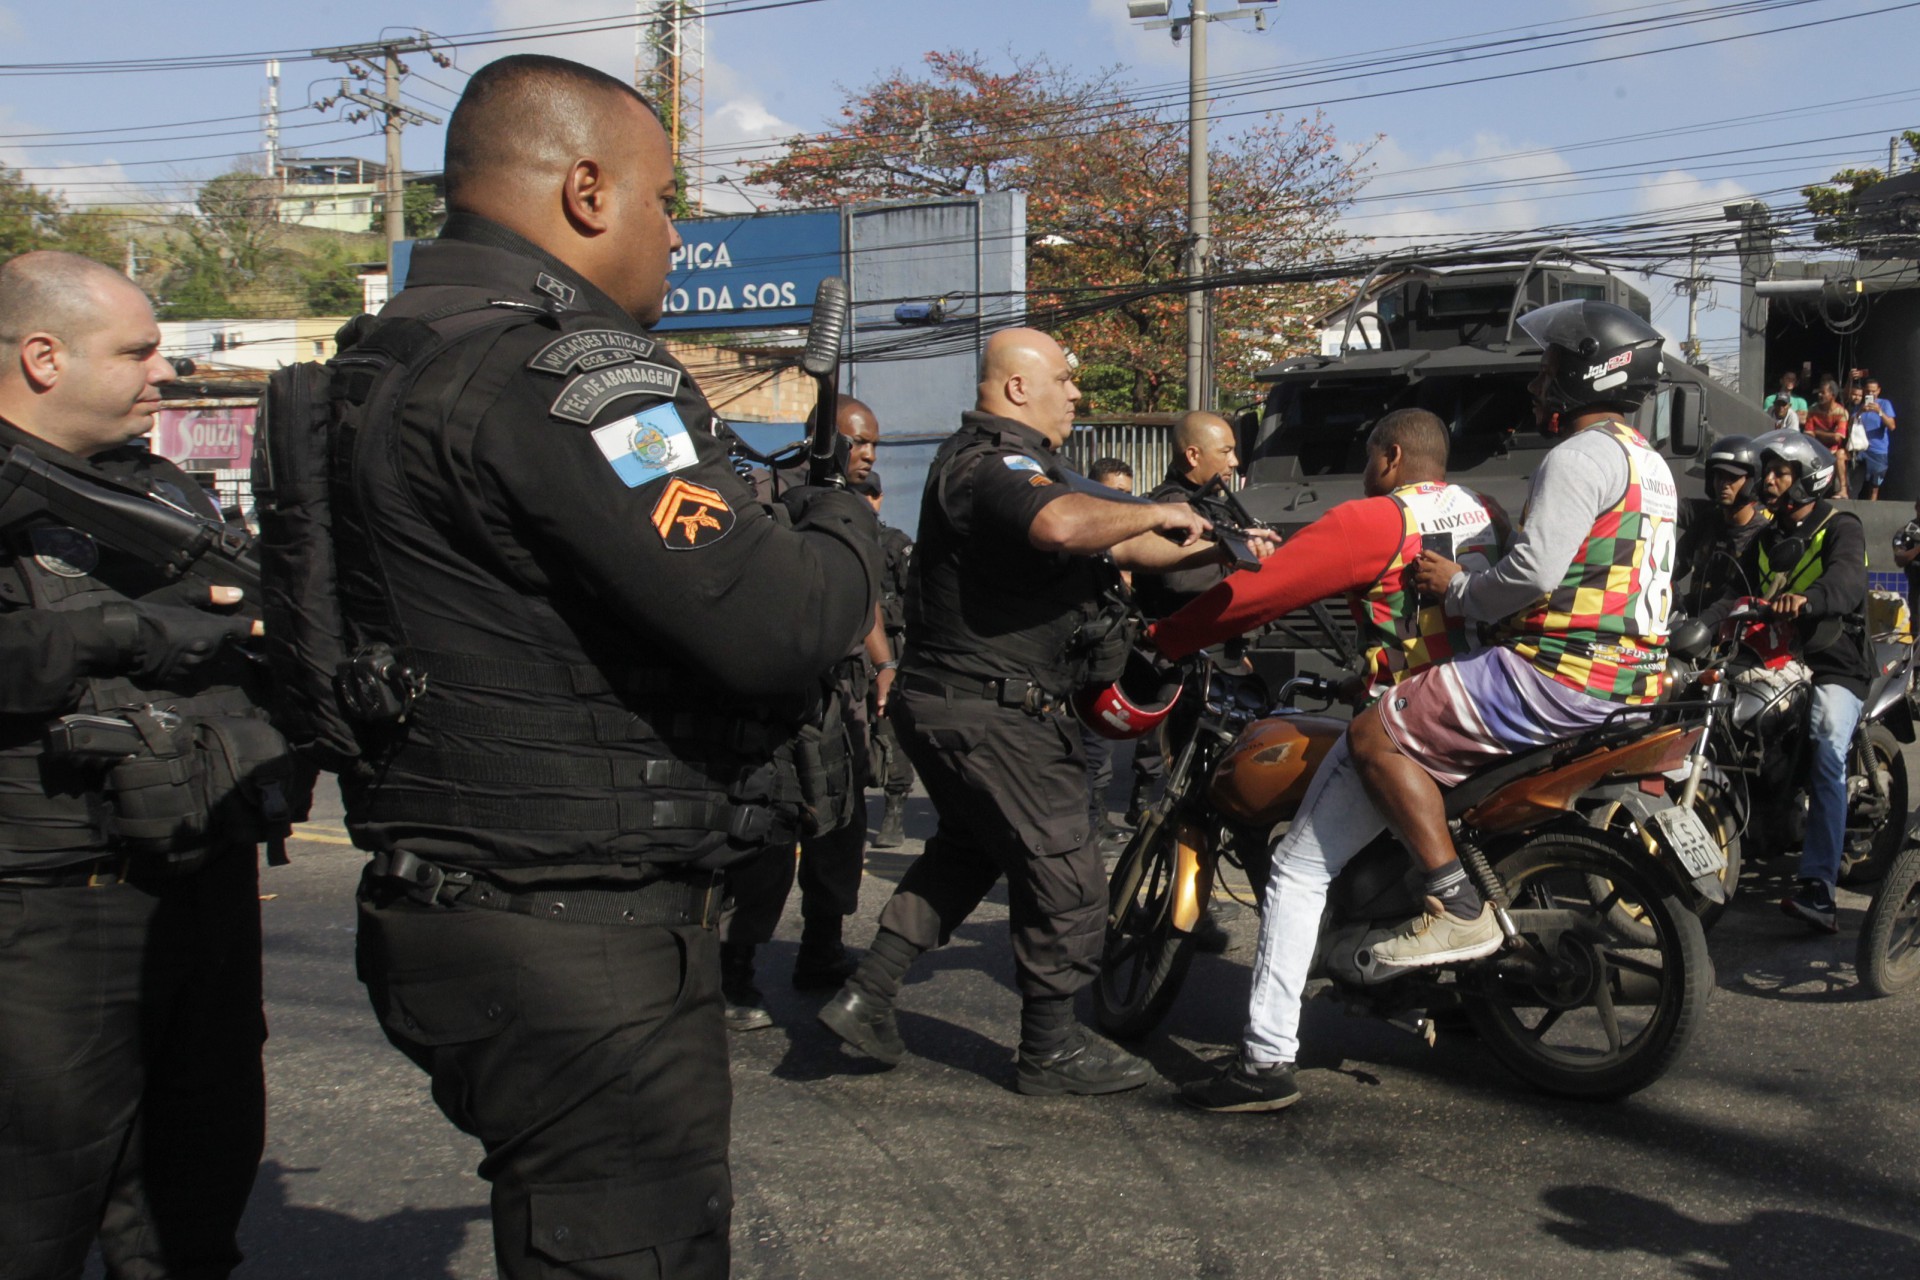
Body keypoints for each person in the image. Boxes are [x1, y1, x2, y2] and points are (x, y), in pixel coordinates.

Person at [338, 57, 877, 1279]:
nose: (676, 233)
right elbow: (780, 619)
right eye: (664, 199)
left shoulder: (384, 356)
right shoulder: (570, 381)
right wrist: (841, 511)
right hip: (574, 928)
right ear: (587, 190)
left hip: (458, 892)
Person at [1181, 298, 1680, 1111]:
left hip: (1561, 670)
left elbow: (1533, 577)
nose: (1538, 382)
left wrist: (1463, 589)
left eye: (1551, 365)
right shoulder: (1646, 464)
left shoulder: (1578, 458)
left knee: (1365, 755)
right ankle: (1459, 986)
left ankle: (1288, 1041)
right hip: (1632, 680)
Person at [818, 328, 1275, 1097]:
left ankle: (867, 995)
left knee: (968, 851)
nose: (1076, 393)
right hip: (992, 710)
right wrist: (1147, 514)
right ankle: (1050, 1048)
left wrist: (1223, 548)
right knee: (1067, 866)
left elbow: (1125, 550)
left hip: (964, 705)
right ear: (1019, 387)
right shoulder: (990, 465)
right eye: (1064, 379)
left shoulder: (1035, 468)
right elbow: (1063, 525)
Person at [0, 252, 300, 1278]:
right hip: (45, 906)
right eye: (136, 350)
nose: (162, 371)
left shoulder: (163, 492)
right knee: (35, 1208)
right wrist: (129, 633)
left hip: (195, 878)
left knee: (194, 1192)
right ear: (43, 356)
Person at [1155, 408, 1505, 1112]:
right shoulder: (1487, 509)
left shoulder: (1375, 521)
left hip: (1414, 718)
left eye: (1370, 454)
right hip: (1490, 706)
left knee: (1297, 868)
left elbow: (1258, 592)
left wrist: (1163, 640)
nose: (1366, 468)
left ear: (1392, 456)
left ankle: (1264, 1058)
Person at [720, 396, 893, 1031]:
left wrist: (884, 666)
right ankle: (733, 971)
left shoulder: (852, 506)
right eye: (858, 441)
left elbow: (863, 598)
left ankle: (821, 949)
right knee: (769, 830)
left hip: (839, 692)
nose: (869, 453)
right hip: (780, 694)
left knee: (840, 825)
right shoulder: (769, 493)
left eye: (875, 442)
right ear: (823, 439)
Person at [1703, 432, 1868, 933]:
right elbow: (1734, 592)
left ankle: (1818, 886)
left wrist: (1810, 599)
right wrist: (1693, 630)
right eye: (1766, 473)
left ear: (1808, 478)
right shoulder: (1767, 537)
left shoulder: (1842, 526)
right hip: (1774, 660)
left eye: (1780, 474)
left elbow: (1846, 581)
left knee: (1825, 742)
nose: (1768, 482)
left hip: (1833, 662)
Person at [1127, 412, 1241, 826]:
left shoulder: (1211, 502)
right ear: (1193, 454)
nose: (1234, 462)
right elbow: (1179, 579)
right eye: (1225, 451)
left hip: (1216, 657)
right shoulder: (1171, 506)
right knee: (1186, 791)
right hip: (1184, 664)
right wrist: (1239, 566)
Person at [856, 471, 917, 850]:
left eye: (869, 494)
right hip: (847, 650)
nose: (864, 501)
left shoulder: (894, 543)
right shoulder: (838, 539)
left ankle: (894, 809)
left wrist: (876, 612)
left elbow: (914, 600)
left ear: (879, 498)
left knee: (890, 731)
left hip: (890, 649)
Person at [1082, 456, 1135, 844]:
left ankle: (1097, 818)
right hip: (1083, 661)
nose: (1124, 501)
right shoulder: (1084, 538)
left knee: (1101, 748)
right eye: (1116, 493)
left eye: (1128, 495)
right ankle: (1083, 827)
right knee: (1085, 750)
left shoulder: (1124, 536)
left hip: (1112, 657)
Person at [1676, 434, 1770, 614]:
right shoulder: (1706, 520)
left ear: (1752, 481)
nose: (1723, 484)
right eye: (1719, 476)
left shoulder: (1761, 535)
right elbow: (1675, 564)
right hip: (1690, 624)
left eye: (1732, 478)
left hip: (1730, 630)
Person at [1802, 379, 1850, 499]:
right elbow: (1807, 434)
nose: (1819, 395)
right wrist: (1828, 435)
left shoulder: (1841, 412)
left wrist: (1817, 433)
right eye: (1819, 392)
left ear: (1832, 395)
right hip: (1817, 448)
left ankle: (1843, 490)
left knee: (1840, 455)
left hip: (1835, 450)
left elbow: (1837, 438)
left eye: (1823, 393)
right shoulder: (1813, 410)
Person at [1859, 377, 1897, 500]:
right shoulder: (1859, 405)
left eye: (1873, 391)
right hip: (1860, 449)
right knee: (1857, 482)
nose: (1871, 394)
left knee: (1875, 486)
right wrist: (1860, 412)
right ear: (1864, 391)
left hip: (1878, 450)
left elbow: (1892, 426)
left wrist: (1879, 412)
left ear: (1879, 391)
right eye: (1868, 391)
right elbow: (1849, 425)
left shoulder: (1885, 404)